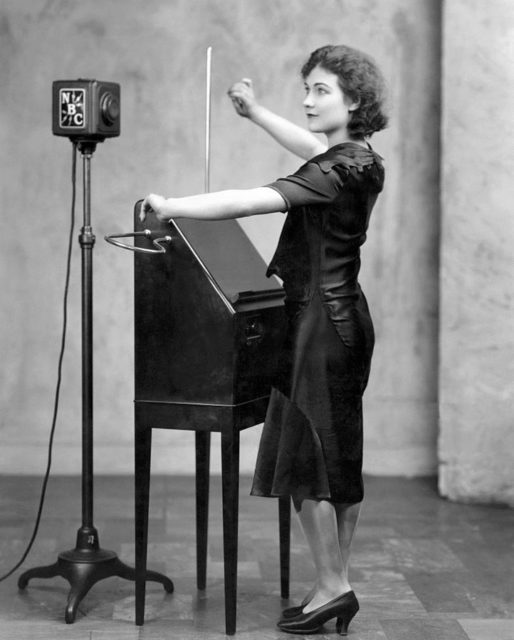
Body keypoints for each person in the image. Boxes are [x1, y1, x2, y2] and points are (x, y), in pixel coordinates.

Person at [141, 44, 388, 636]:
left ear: (354, 100)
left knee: (308, 462)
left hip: (316, 329)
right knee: (338, 458)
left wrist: (171, 206)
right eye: (306, 88)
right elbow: (307, 147)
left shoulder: (330, 171)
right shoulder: (360, 160)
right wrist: (255, 113)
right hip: (348, 320)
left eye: (321, 90)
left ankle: (334, 585)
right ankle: (336, 582)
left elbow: (251, 200)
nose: (307, 100)